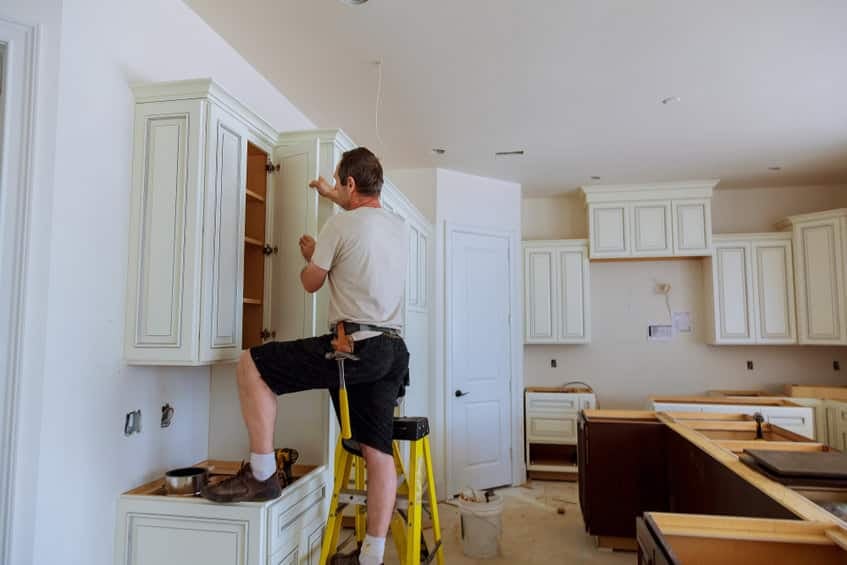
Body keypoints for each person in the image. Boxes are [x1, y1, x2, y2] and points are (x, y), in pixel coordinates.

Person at [202, 147, 408, 565]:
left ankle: (261, 474)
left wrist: (314, 255)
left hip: (355, 346)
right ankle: (371, 557)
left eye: (340, 183)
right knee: (377, 451)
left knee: (251, 363)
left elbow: (310, 282)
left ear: (350, 183)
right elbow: (361, 223)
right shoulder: (397, 228)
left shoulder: (339, 226)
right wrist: (335, 199)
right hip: (392, 349)